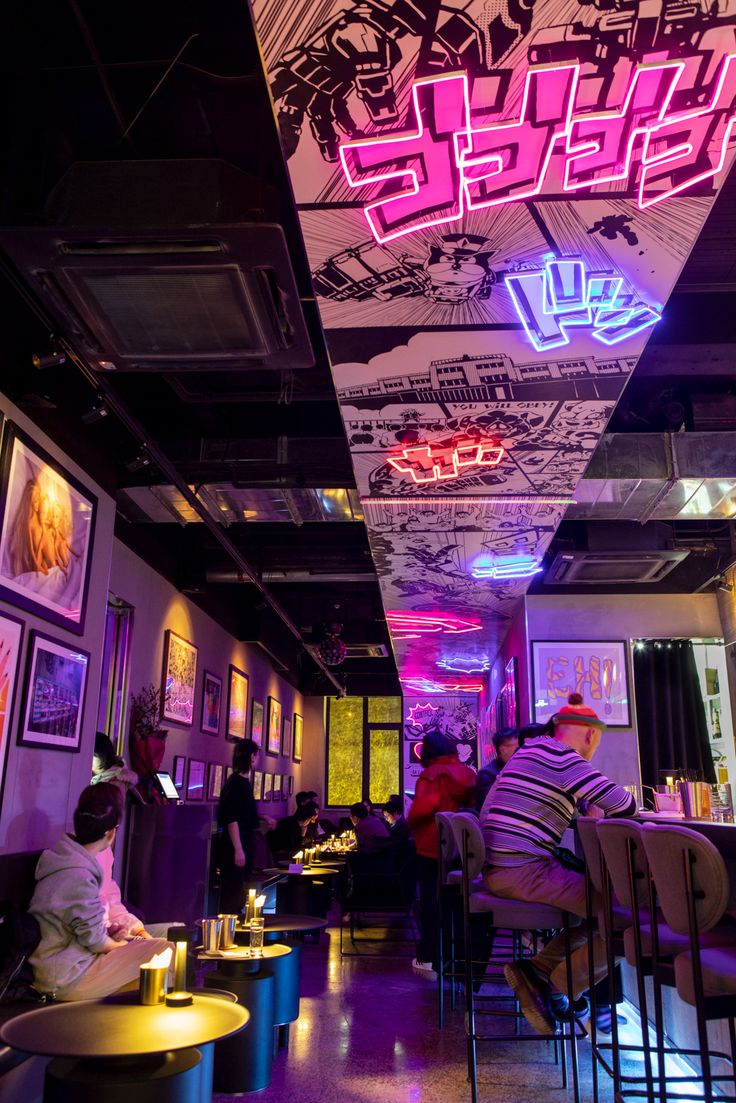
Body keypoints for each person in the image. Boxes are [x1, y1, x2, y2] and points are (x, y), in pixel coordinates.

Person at [481, 693, 636, 1033]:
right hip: (522, 870)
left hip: (500, 866)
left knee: (603, 909)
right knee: (623, 913)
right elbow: (625, 804)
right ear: (592, 735)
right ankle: (560, 984)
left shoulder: (531, 751)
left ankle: (538, 970)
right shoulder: (565, 758)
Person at [28, 783, 173, 1001]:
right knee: (164, 950)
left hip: (74, 961)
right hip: (67, 974)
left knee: (166, 945)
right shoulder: (77, 875)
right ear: (111, 832)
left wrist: (124, 936)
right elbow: (95, 940)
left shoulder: (69, 861)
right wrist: (126, 945)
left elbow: (92, 924)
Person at [407, 730, 476, 979]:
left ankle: (429, 956)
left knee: (430, 904)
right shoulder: (468, 774)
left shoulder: (431, 775)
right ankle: (455, 957)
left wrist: (410, 818)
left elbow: (423, 809)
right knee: (456, 904)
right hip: (461, 848)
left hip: (430, 847)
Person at [217, 739, 260, 913]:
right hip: (235, 845)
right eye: (256, 755)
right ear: (251, 757)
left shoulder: (240, 782)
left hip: (241, 843)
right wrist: (238, 848)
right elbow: (231, 818)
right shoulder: (237, 783)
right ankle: (228, 934)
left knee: (237, 892)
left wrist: (263, 817)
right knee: (233, 893)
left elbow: (240, 813)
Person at [475, 728, 519, 811]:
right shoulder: (487, 774)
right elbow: (493, 805)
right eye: (517, 747)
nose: (521, 750)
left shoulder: (518, 767)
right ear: (503, 749)